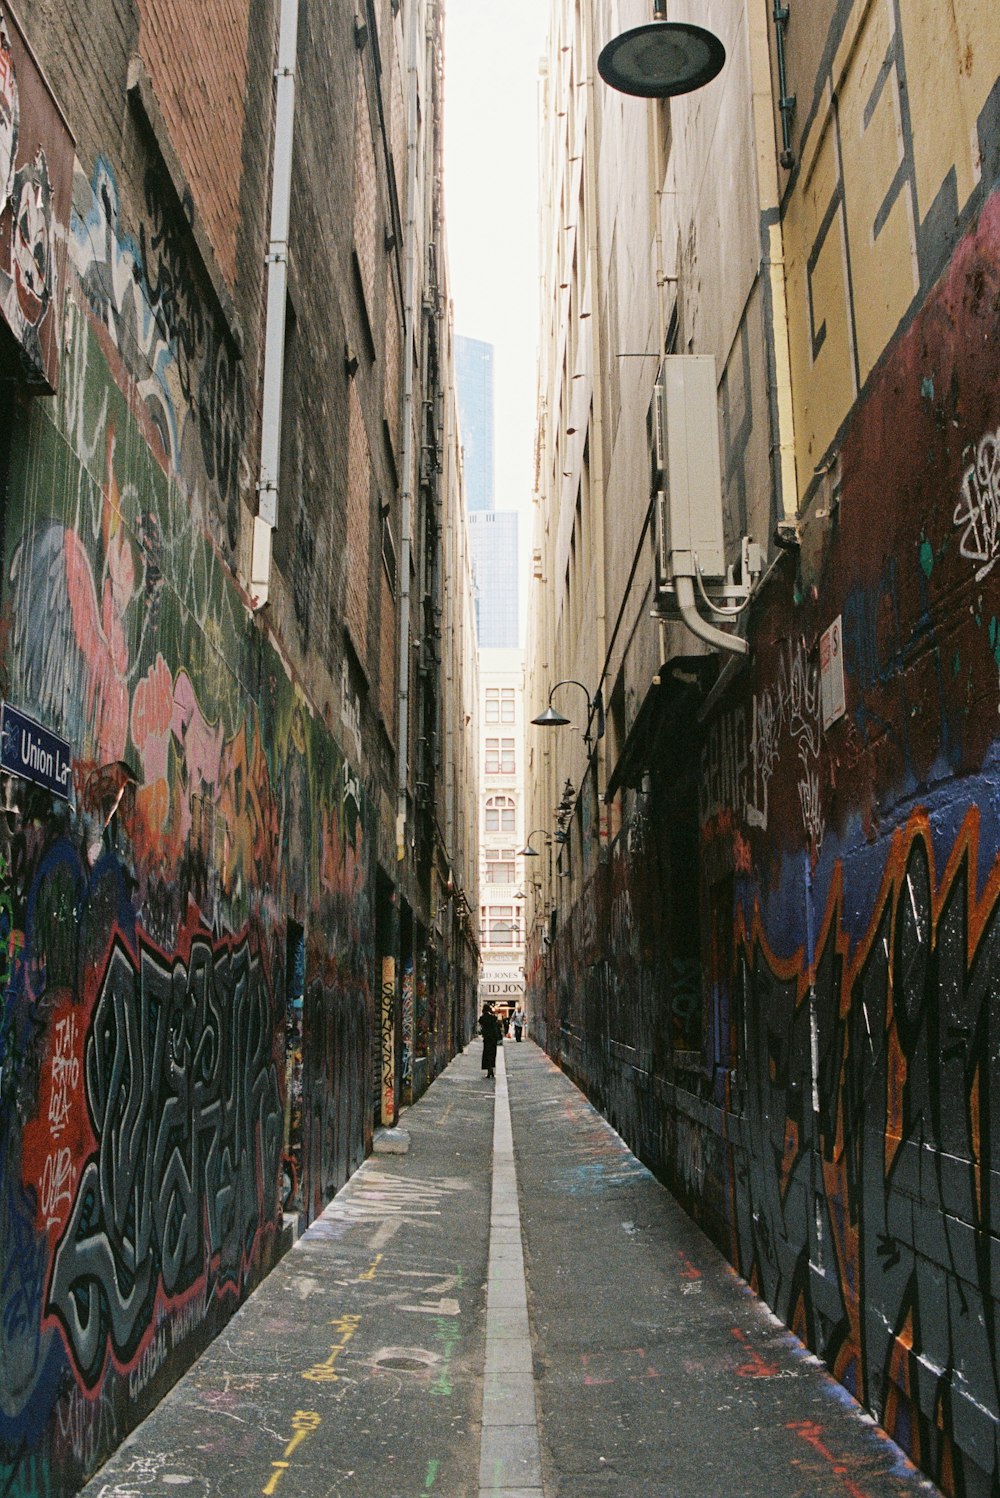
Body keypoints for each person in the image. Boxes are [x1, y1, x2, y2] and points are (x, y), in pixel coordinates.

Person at [480, 1001, 501, 1079]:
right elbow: (498, 1021)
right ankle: (491, 1068)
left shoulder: (482, 1018)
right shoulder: (493, 1017)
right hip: (493, 1038)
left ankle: (489, 1070)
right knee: (492, 1053)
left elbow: (481, 1025)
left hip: (487, 1038)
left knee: (487, 1053)